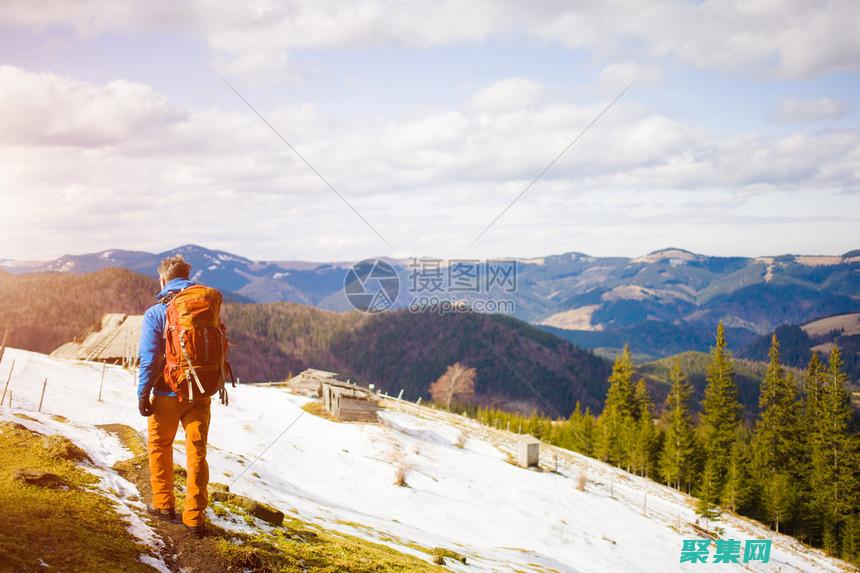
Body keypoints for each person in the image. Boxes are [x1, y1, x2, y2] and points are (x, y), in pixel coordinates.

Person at [137, 255, 211, 538]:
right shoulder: (205, 306)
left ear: (162, 280)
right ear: (187, 277)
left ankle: (163, 505)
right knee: (197, 451)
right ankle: (194, 518)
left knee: (160, 445)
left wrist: (143, 393)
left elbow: (149, 359)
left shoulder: (156, 313)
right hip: (200, 392)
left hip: (167, 391)